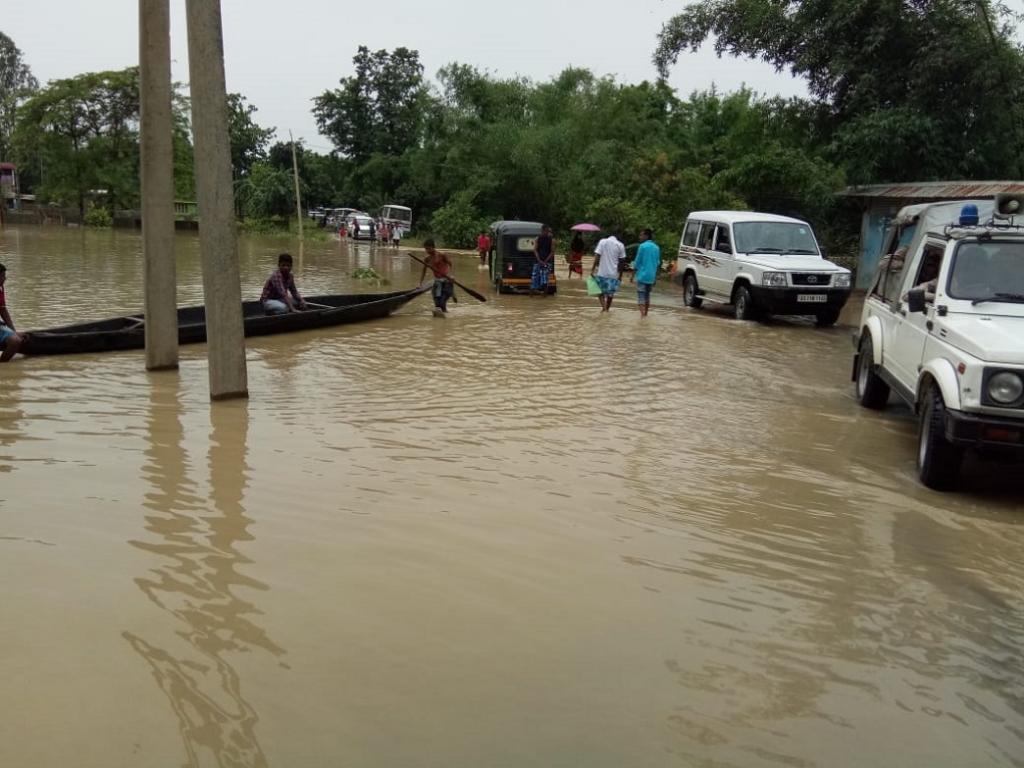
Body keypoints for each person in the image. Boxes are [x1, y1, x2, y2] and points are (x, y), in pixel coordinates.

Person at [591, 232, 626, 312]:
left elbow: (597, 256)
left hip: (602, 272)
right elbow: (622, 261)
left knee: (600, 293)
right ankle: (607, 309)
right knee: (610, 294)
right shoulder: (620, 245)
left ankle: (604, 308)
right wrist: (620, 275)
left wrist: (592, 269)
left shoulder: (603, 242)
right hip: (613, 274)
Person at [419, 239, 454, 315]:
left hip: (446, 281)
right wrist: (420, 283)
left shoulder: (442, 255)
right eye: (426, 249)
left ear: (433, 247)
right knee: (437, 302)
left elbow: (450, 264)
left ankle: (443, 314)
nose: (427, 251)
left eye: (428, 248)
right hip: (437, 281)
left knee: (442, 302)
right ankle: (443, 317)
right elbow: (423, 271)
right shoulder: (427, 259)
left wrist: (451, 275)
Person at [0, 263, 25, 362]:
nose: (5, 279)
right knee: (15, 340)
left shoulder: (0, 288)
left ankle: (2, 366)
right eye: (2, 276)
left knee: (16, 340)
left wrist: (13, 331)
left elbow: (3, 310)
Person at [633, 229, 661, 317]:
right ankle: (646, 314)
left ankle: (642, 316)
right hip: (651, 276)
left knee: (641, 295)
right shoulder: (656, 248)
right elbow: (657, 263)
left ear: (646, 236)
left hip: (642, 275)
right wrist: (656, 277)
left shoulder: (642, 246)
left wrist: (632, 274)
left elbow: (637, 262)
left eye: (641, 235)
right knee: (647, 295)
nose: (640, 237)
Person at [531, 225, 555, 294]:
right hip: (538, 261)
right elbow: (535, 250)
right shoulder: (537, 239)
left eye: (547, 231)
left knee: (545, 280)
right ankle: (532, 294)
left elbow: (552, 252)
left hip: (546, 262)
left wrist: (545, 261)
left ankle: (544, 295)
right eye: (545, 231)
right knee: (534, 279)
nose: (546, 233)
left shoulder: (552, 240)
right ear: (542, 231)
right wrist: (539, 260)